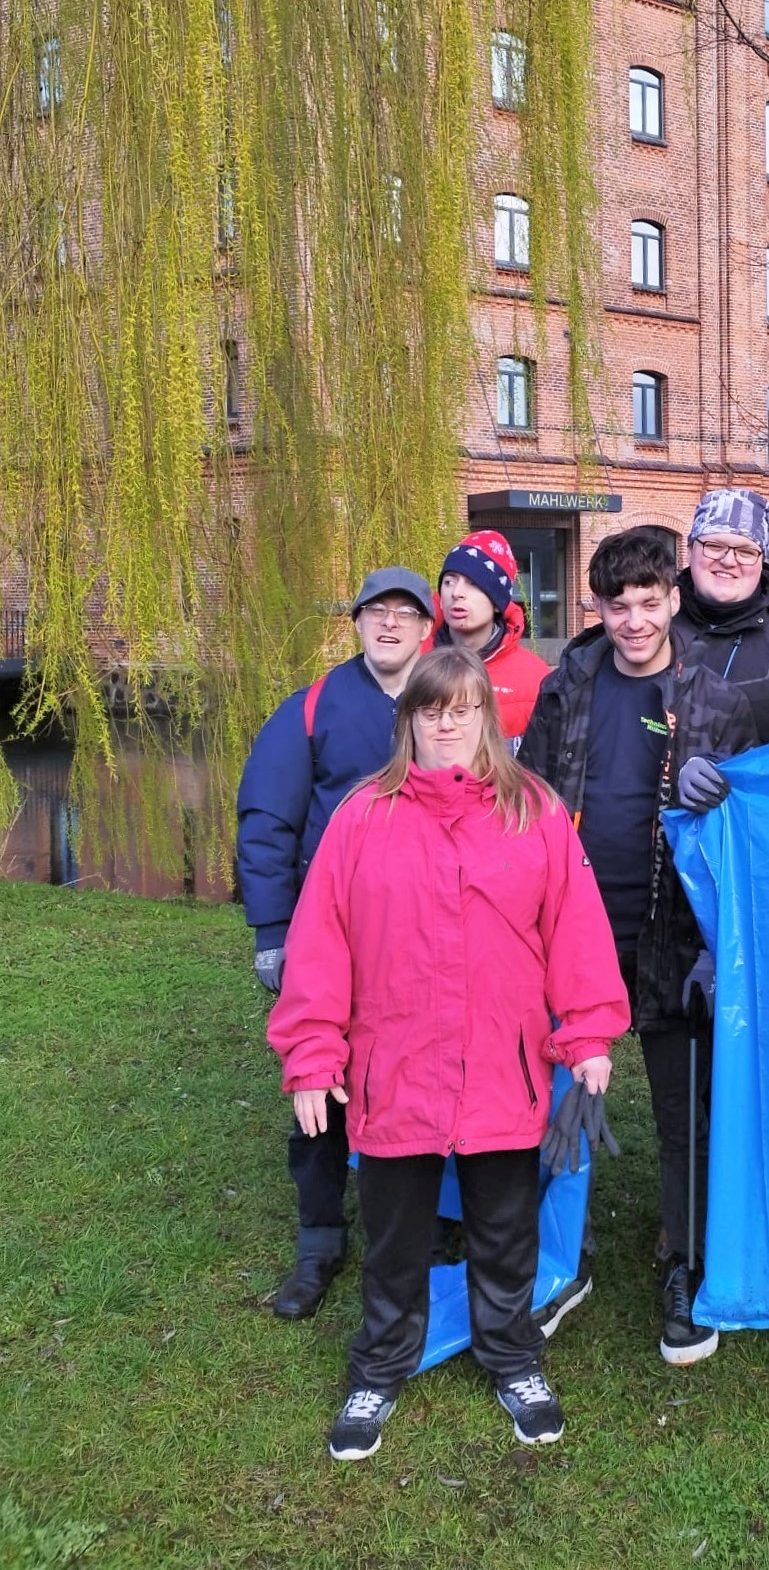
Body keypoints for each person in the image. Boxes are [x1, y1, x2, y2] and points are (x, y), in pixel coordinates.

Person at [267, 647, 631, 1461]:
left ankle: (511, 1356)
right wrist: (312, 1056)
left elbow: (573, 929)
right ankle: (380, 1364)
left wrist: (589, 1032)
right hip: (394, 1068)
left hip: (502, 1066)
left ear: (484, 719)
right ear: (410, 718)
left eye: (461, 708)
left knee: (505, 1230)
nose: (445, 722)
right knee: (395, 1234)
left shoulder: (530, 810)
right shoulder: (363, 815)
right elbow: (321, 943)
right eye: (430, 708)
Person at [519, 526, 755, 1364]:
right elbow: (529, 804)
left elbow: (742, 842)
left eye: (648, 602)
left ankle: (688, 1266)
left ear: (673, 599)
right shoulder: (566, 688)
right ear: (598, 606)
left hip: (671, 933)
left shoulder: (716, 703)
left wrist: (716, 944)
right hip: (570, 930)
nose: (632, 620)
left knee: (680, 1112)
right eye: (616, 604)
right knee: (552, 1100)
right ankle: (550, 1260)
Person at [236, 567, 435, 1320]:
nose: (389, 625)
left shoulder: (448, 704)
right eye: (375, 613)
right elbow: (267, 820)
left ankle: (433, 1225)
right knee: (320, 1087)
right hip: (333, 938)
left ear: (427, 629)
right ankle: (320, 1235)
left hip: (422, 940)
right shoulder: (312, 708)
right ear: (356, 624)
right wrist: (272, 931)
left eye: (403, 614)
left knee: (419, 1077)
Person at [671, 488, 769, 743]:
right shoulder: (654, 624)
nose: (729, 561)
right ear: (690, 550)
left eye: (746, 551)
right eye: (714, 546)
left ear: (762, 560)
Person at [432, 530, 549, 744]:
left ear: (497, 603)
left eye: (473, 584)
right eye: (449, 581)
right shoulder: (415, 658)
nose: (457, 592)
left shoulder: (535, 678)